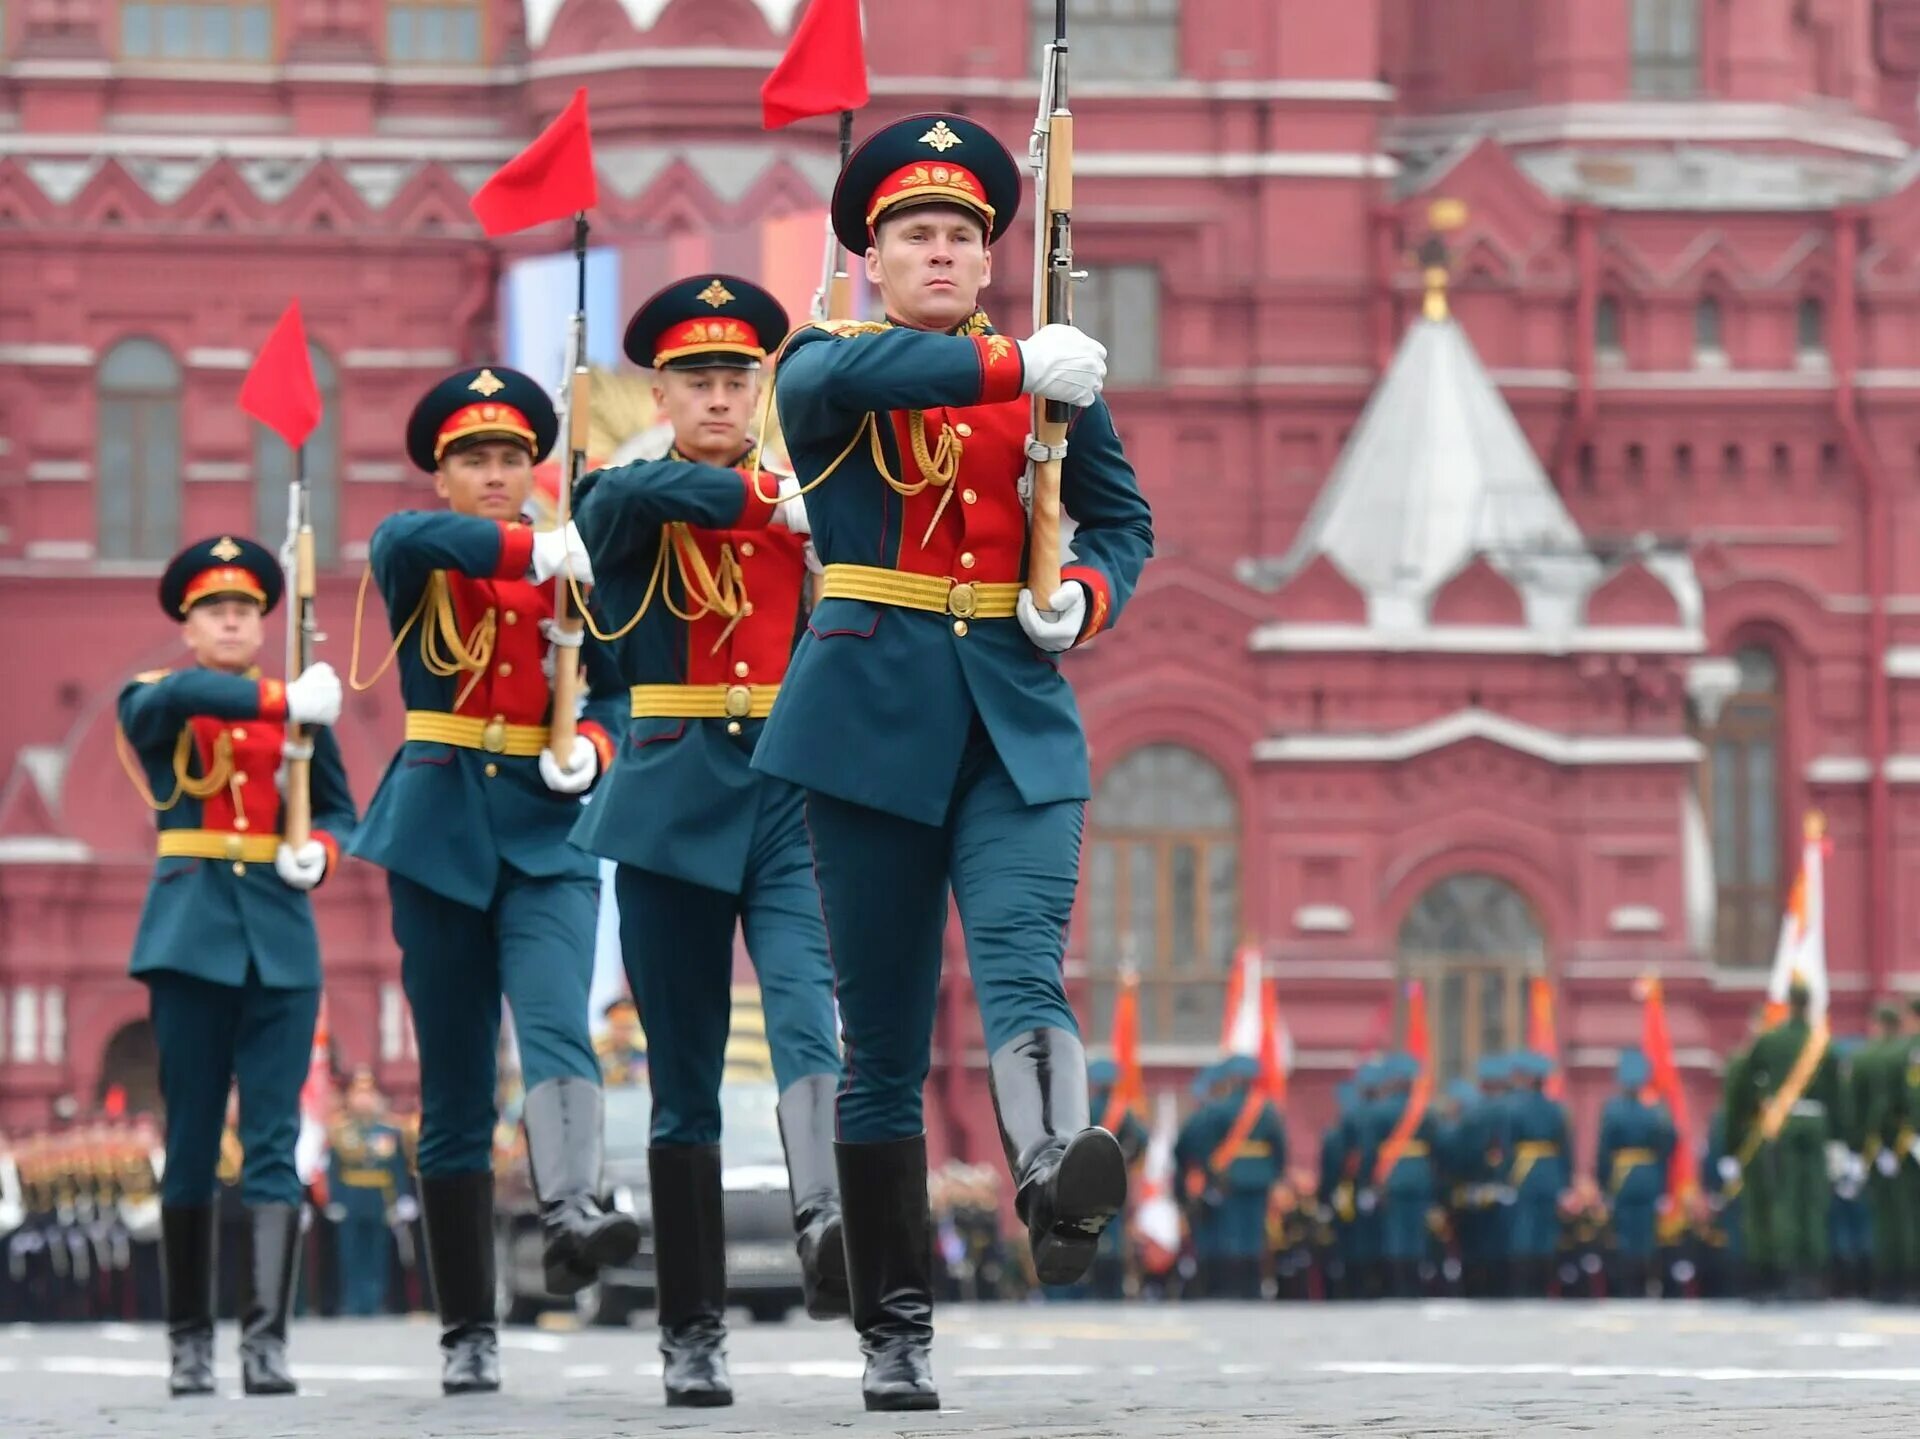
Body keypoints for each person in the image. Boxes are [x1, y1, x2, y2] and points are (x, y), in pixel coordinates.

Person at [755, 110, 1154, 1410]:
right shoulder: (827, 362)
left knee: (1025, 964)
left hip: (1015, 722)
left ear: (990, 258)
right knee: (881, 1042)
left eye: (964, 236)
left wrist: (1083, 597)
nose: (941, 252)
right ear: (870, 255)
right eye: (916, 234)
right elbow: (847, 393)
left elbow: (1123, 517)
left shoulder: (1043, 372)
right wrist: (1019, 368)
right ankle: (896, 1324)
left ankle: (1050, 1175)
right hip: (868, 724)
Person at [570, 276, 846, 1406]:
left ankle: (830, 1214)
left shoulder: (810, 498)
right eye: (699, 380)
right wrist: (775, 504)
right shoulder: (624, 495)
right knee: (682, 1083)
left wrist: (818, 512)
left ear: (762, 387)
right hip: (671, 801)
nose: (722, 395)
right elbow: (626, 511)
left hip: (783, 791)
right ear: (661, 391)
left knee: (805, 1005)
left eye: (740, 378)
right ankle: (691, 1330)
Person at [349, 365, 638, 1393]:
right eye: (474, 458)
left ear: (536, 466)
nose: (495, 473)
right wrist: (533, 545)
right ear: (442, 471)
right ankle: (468, 1324)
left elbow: (620, 694)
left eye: (513, 457)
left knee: (558, 1022)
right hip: (438, 835)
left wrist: (594, 751)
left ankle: (569, 1206)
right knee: (457, 1085)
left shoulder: (576, 571)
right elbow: (406, 544)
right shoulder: (425, 551)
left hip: (549, 834)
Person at [116, 536, 353, 1395]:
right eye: (215, 608)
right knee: (187, 1145)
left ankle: (264, 1342)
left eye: (247, 609)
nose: (231, 619)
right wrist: (284, 695)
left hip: (281, 945)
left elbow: (339, 810)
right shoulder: (160, 697)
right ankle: (187, 1340)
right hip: (190, 940)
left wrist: (320, 853)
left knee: (273, 1147)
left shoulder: (298, 715)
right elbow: (174, 696)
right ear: (188, 622)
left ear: (264, 623)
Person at [1720, 978, 1842, 1300]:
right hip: (1816, 1125)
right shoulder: (1823, 1043)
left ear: (1788, 1003)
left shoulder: (1769, 1041)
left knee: (1786, 1199)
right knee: (1813, 1200)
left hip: (1781, 1125)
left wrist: (1733, 1141)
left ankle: (1790, 1276)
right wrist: (1842, 1141)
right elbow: (1837, 1095)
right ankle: (1814, 1276)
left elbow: (1741, 1090)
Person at [1174, 1057, 1285, 1299]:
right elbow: (1279, 1147)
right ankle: (1252, 1288)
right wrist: (1274, 1174)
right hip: (1259, 1178)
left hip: (1229, 1177)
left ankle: (1231, 1288)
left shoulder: (1217, 1109)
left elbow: (1201, 1147)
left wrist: (1212, 1174)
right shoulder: (1267, 1110)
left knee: (1231, 1235)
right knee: (1254, 1234)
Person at [326, 1070, 413, 1317]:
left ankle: (375, 1301)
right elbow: (334, 1167)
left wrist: (402, 1197)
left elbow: (397, 1167)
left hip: (380, 1197)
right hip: (352, 1197)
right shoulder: (341, 1131)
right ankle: (353, 1301)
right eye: (358, 1094)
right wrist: (335, 1200)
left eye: (368, 1094)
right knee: (351, 1252)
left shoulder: (390, 1130)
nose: (363, 1100)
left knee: (378, 1252)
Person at [1594, 1048, 1674, 1299]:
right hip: (1649, 1176)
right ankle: (1646, 1283)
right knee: (1647, 1234)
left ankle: (1628, 1287)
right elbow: (1669, 1143)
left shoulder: (1612, 1110)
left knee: (1625, 1233)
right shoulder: (1657, 1111)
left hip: (1623, 1177)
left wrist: (1604, 1182)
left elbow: (1605, 1149)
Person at [1852, 1001, 1916, 1301]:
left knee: (1898, 1216)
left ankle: (1898, 1283)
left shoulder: (1888, 1056)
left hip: (1901, 1147)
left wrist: (1883, 1144)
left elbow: (1881, 1106)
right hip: (1904, 1144)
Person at [1503, 1052, 1569, 1297]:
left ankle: (1525, 1287)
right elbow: (1566, 1147)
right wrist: (1565, 1180)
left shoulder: (1515, 1108)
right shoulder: (1556, 1110)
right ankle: (1545, 1286)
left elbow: (1509, 1146)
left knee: (1525, 1229)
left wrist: (1506, 1175)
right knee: (1547, 1231)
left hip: (1526, 1171)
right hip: (1550, 1172)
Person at [594, 999, 647, 1088]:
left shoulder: (643, 1052)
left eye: (628, 1028)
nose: (623, 1033)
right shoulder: (597, 1051)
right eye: (618, 1028)